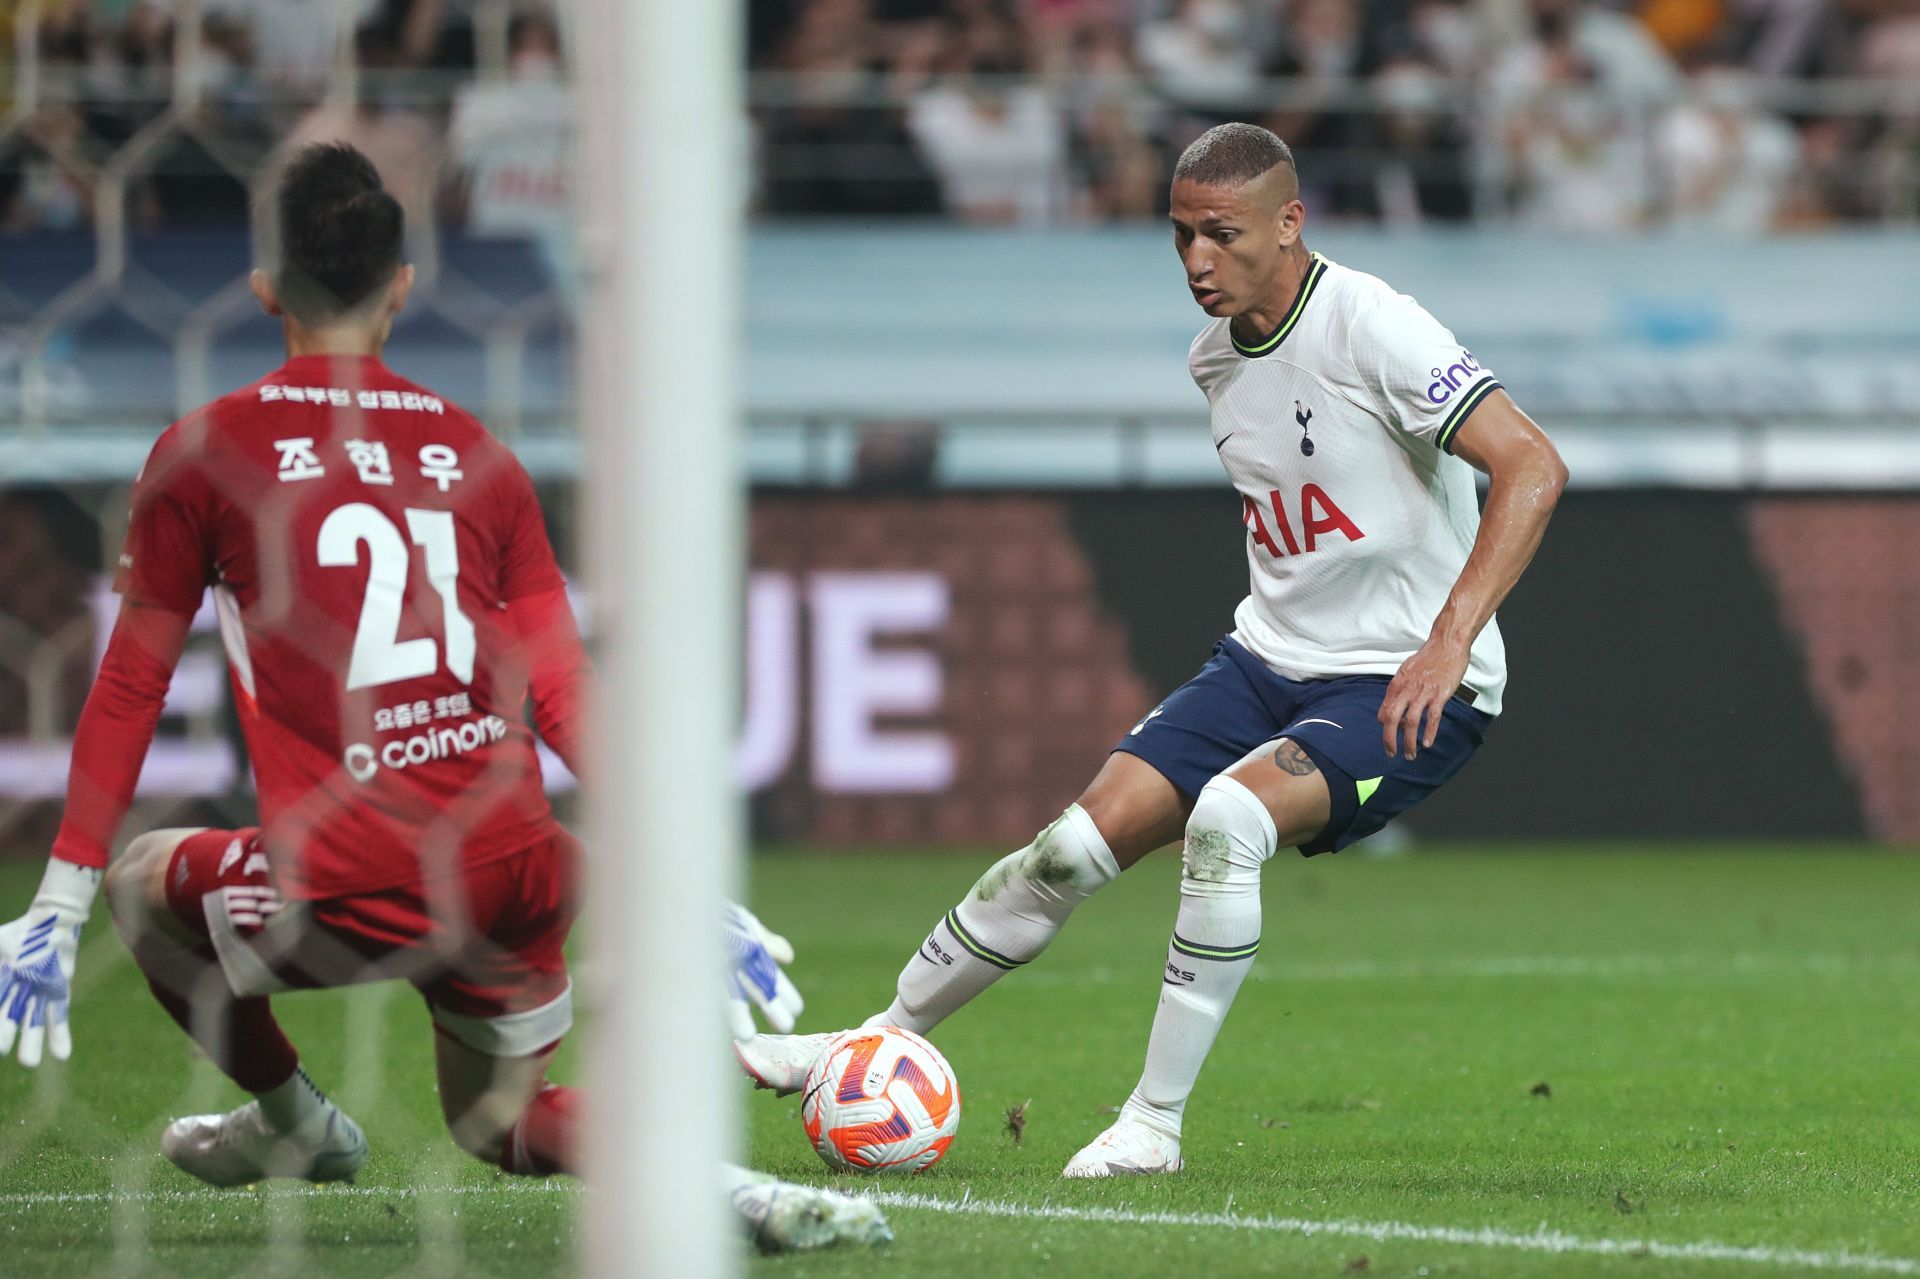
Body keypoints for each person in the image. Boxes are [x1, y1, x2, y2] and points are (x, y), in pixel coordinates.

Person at [0, 142, 885, 1252]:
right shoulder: (479, 454)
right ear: (404, 286)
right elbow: (563, 688)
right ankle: (729, 1191)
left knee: (142, 885)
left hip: (351, 875)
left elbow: (133, 678)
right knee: (501, 1119)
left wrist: (58, 903)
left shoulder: (202, 454)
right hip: (516, 862)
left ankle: (293, 1124)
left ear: (264, 283)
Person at [739, 122, 1568, 1178]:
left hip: (1409, 681)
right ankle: (877, 1035)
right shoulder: (1214, 357)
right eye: (1179, 236)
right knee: (1065, 851)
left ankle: (1154, 1124)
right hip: (1269, 660)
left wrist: (1450, 640)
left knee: (1229, 819)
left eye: (1221, 235)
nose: (1196, 262)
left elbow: (1533, 465)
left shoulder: (1374, 326)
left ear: (1289, 223)